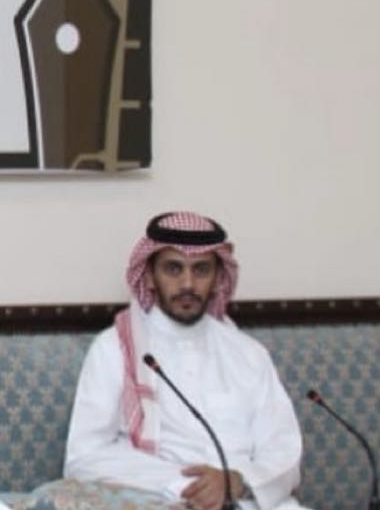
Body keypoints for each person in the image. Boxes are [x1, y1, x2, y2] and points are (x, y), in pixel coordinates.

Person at [62, 211, 312, 510]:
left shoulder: (248, 354)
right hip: (160, 499)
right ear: (150, 276)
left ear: (218, 278)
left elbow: (284, 452)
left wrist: (239, 481)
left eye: (201, 270)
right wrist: (186, 486)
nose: (188, 284)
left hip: (248, 500)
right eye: (173, 269)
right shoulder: (114, 348)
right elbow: (85, 457)